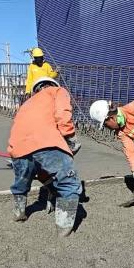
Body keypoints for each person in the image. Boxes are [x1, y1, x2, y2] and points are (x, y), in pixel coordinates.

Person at [8, 77, 82, 237]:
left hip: (17, 148)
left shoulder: (26, 104)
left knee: (22, 181)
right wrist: (71, 138)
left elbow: (19, 127)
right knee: (69, 184)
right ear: (51, 85)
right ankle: (63, 230)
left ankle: (19, 212)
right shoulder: (57, 91)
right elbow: (63, 114)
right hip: (46, 142)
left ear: (36, 90)